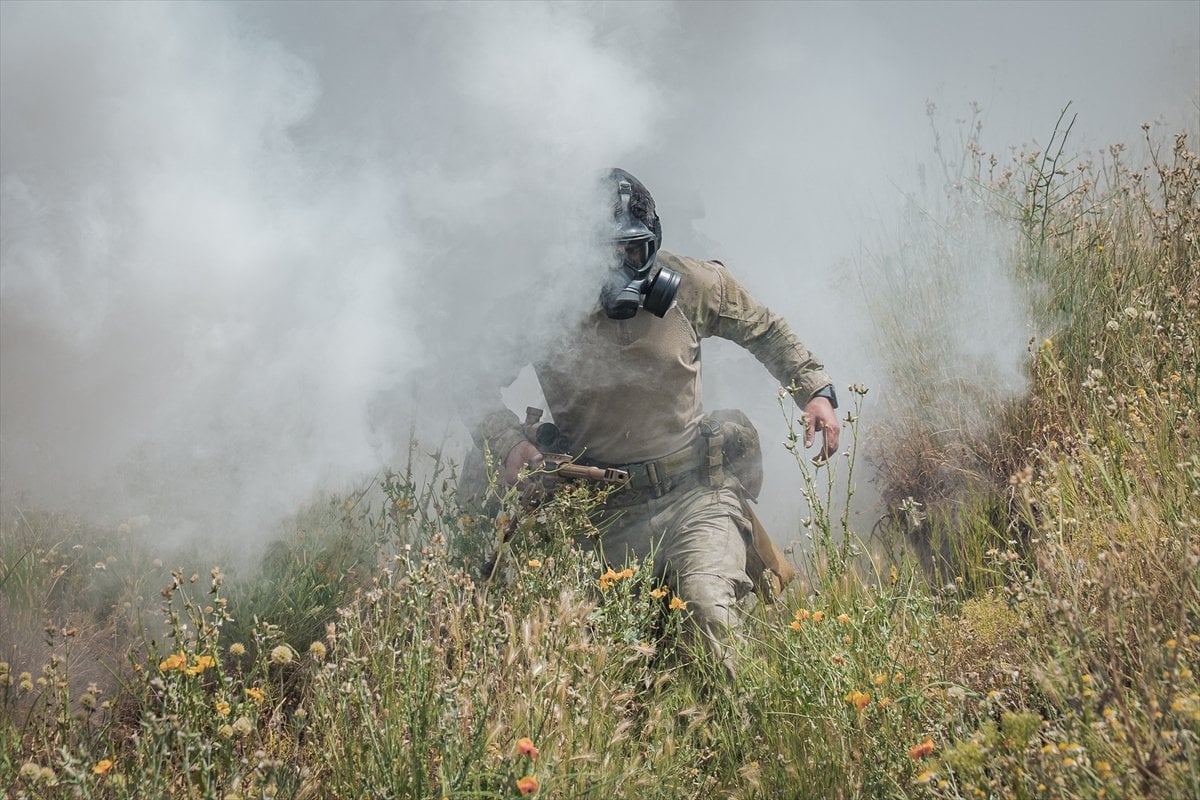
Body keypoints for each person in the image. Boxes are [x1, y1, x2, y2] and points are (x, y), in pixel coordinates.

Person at [466, 168, 839, 674]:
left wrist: (814, 391)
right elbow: (467, 379)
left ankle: (739, 739)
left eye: (632, 252)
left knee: (708, 613)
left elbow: (766, 329)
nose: (619, 270)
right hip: (594, 514)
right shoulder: (542, 309)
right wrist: (510, 443)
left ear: (653, 244)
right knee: (592, 666)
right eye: (601, 255)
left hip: (694, 495)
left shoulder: (692, 287)